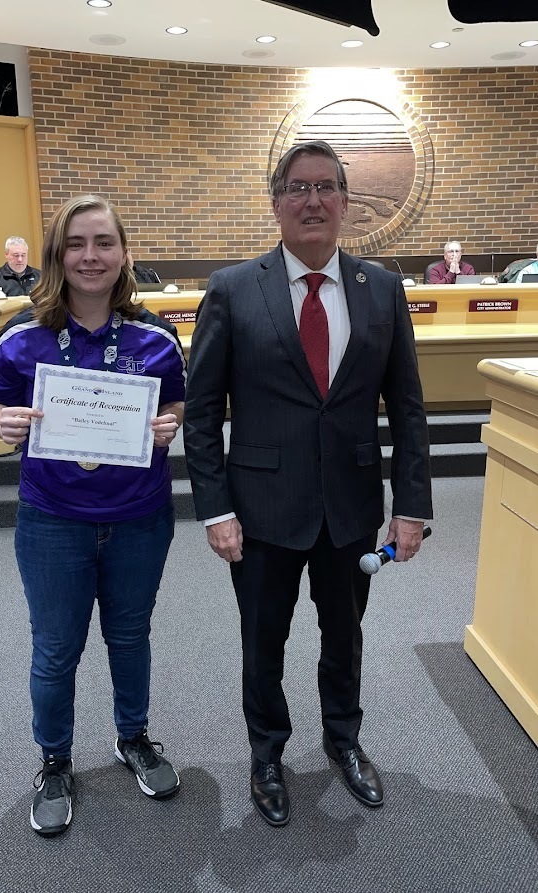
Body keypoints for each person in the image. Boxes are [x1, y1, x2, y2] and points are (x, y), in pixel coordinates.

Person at [184, 140, 432, 828]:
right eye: (297, 188)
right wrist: (214, 509)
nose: (313, 200)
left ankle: (344, 740)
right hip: (259, 509)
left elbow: (407, 407)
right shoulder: (233, 289)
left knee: (344, 635)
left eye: (327, 187)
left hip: (351, 505)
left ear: (347, 203)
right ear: (276, 203)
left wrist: (411, 506)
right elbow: (202, 411)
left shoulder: (380, 288)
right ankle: (267, 753)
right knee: (262, 641)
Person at [0, 195, 187, 837]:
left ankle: (134, 739)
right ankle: (54, 762)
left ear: (123, 253)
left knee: (129, 637)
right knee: (55, 648)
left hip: (138, 516)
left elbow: (179, 407)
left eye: (103, 242)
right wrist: (1, 422)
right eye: (76, 244)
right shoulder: (21, 335)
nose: (90, 256)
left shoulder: (155, 337)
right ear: (56, 254)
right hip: (52, 520)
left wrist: (167, 426)